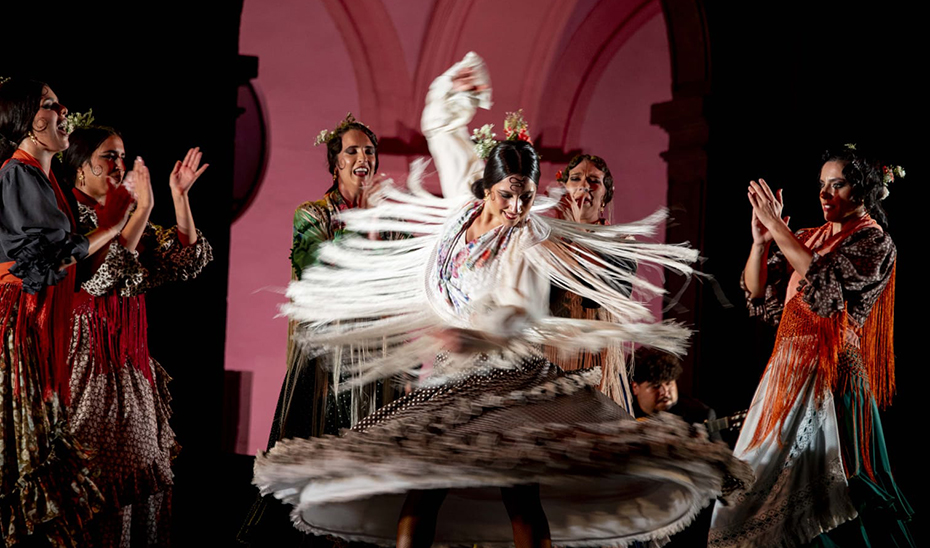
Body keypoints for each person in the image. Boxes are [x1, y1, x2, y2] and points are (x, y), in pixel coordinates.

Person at [255, 52, 751, 548]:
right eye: (507, 196)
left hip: (509, 377)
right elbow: (441, 127)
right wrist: (457, 86)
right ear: (486, 187)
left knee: (520, 494)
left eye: (527, 197)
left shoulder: (527, 239)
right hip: (454, 375)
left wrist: (473, 334)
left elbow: (519, 311)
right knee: (425, 491)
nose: (516, 208)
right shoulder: (460, 208)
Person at [709, 146, 914, 547]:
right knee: (758, 492)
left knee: (830, 495)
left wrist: (777, 227)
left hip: (832, 378)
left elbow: (828, 293)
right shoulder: (807, 237)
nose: (825, 194)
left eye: (836, 185)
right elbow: (755, 294)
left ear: (863, 190)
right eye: (822, 185)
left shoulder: (874, 242)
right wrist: (760, 241)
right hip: (786, 372)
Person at [239, 113, 395, 547]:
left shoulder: (391, 221)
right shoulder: (311, 214)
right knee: (322, 453)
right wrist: (367, 225)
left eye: (368, 150)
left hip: (378, 354)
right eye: (352, 150)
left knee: (370, 461)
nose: (362, 157)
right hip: (327, 357)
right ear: (335, 163)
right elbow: (317, 272)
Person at [59, 125, 213, 547]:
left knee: (144, 472)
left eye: (122, 156)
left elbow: (185, 262)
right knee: (98, 476)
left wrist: (179, 198)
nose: (119, 165)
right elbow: (106, 276)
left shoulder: (123, 215)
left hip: (128, 362)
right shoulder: (69, 218)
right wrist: (141, 208)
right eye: (108, 156)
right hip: (86, 362)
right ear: (79, 168)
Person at [0, 78, 132, 546]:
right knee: (29, 444)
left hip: (36, 316)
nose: (62, 110)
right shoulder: (18, 174)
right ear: (27, 120)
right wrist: (113, 226)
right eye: (50, 104)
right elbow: (43, 263)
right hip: (24, 318)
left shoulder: (40, 177)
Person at [546, 154, 634, 410]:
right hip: (552, 354)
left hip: (596, 357)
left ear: (606, 195)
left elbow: (602, 295)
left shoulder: (621, 243)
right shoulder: (549, 241)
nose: (584, 185)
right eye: (576, 179)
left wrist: (580, 234)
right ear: (565, 188)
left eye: (594, 180)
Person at [631, 347, 721, 442]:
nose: (665, 392)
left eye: (669, 383)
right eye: (656, 386)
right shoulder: (623, 413)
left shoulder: (700, 415)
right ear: (635, 388)